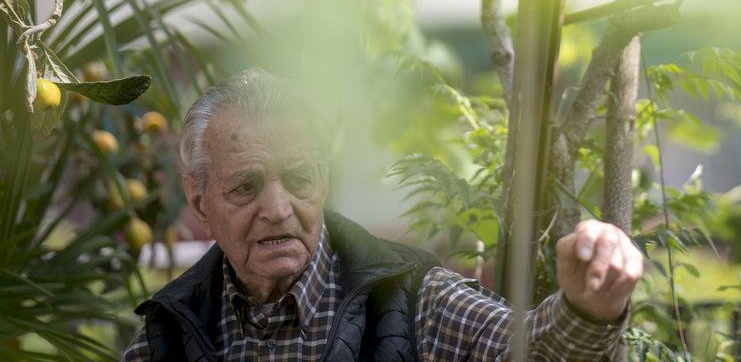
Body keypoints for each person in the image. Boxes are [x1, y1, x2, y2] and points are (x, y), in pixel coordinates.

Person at [123, 69, 642, 361]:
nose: (278, 209)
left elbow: (529, 350)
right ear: (199, 203)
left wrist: (587, 307)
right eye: (246, 187)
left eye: (299, 178)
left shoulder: (410, 296)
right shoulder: (166, 333)